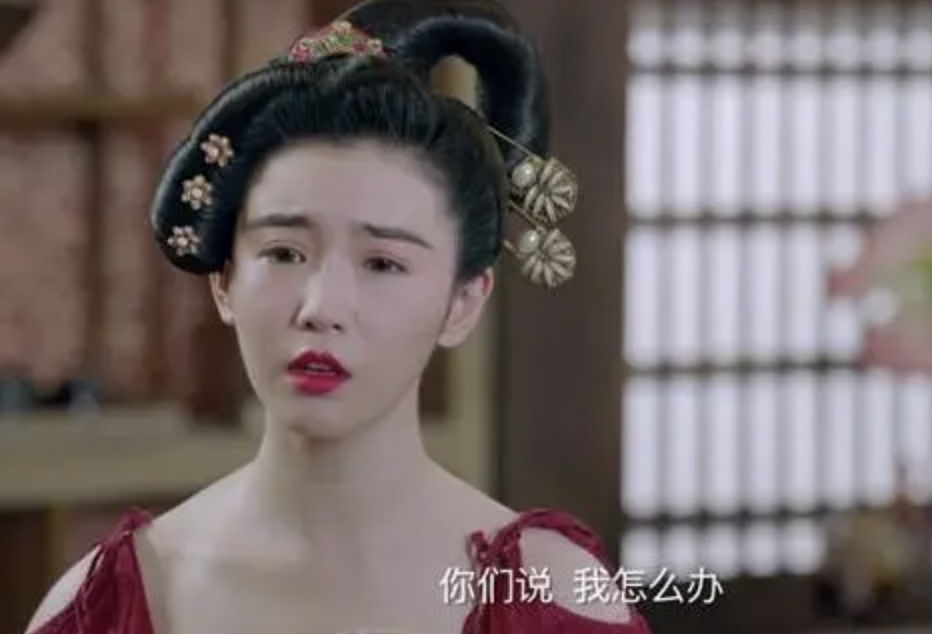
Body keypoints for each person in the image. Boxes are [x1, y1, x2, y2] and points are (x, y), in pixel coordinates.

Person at [25, 1, 652, 633]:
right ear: (224, 281)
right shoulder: (105, 604)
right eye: (284, 253)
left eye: (382, 263)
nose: (321, 308)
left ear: (463, 303)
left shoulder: (554, 598)